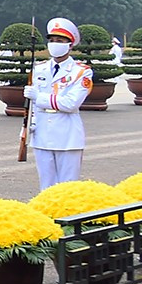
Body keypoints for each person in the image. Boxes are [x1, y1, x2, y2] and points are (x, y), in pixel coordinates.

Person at [27, 18, 92, 190]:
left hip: (67, 135)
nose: (55, 44)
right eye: (52, 40)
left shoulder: (81, 72)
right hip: (41, 133)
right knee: (46, 186)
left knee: (67, 187)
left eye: (60, 41)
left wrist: (39, 97)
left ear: (70, 45)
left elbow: (71, 103)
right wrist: (28, 124)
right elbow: (32, 106)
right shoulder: (39, 69)